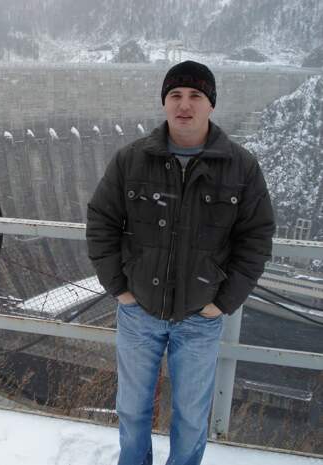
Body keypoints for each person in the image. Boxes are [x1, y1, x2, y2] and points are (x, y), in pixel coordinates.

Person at [86, 61, 275, 465]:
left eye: (195, 96)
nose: (184, 105)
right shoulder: (132, 160)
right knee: (132, 410)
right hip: (139, 313)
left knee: (190, 419)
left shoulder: (240, 167)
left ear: (211, 104)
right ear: (165, 102)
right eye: (175, 95)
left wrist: (223, 302)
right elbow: (101, 221)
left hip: (200, 318)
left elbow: (256, 238)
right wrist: (119, 287)